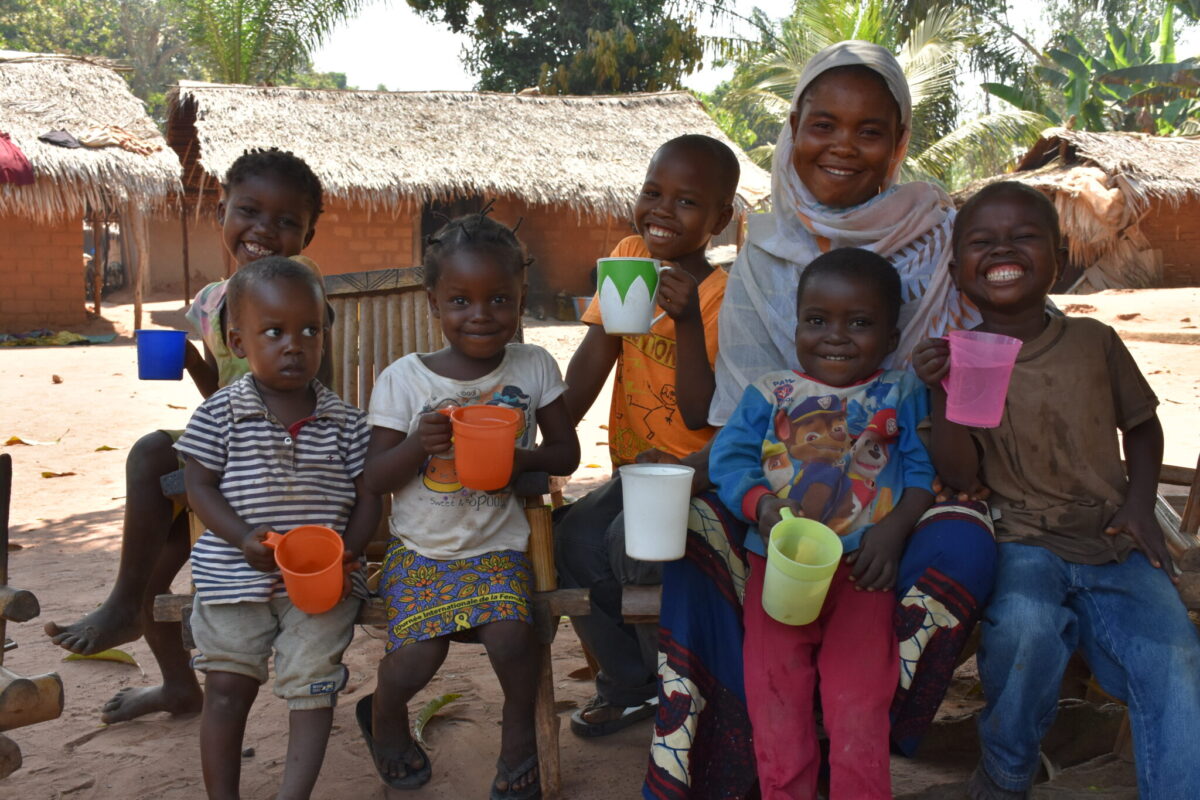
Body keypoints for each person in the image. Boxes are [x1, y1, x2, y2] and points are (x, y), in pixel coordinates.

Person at [643, 41, 998, 799]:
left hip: (906, 481)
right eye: (823, 123)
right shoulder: (763, 257)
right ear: (793, 127)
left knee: (963, 547)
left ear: (900, 143)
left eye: (870, 130)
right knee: (693, 536)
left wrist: (903, 503)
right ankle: (729, 758)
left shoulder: (943, 240)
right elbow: (737, 430)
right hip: (781, 509)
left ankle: (870, 739)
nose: (843, 145)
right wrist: (763, 502)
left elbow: (998, 349)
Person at [912, 181, 1200, 800]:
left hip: (1112, 534)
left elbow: (1144, 429)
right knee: (1025, 627)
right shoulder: (963, 357)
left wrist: (1139, 504)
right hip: (1021, 539)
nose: (1002, 250)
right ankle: (1008, 769)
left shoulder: (1094, 343)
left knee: (1174, 657)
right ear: (957, 266)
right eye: (982, 242)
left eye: (1023, 237)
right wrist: (942, 390)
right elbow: (961, 476)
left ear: (1059, 252)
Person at [44, 148, 328, 723]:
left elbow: (312, 385)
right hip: (229, 442)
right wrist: (192, 361)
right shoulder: (210, 302)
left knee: (153, 452)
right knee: (155, 565)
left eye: (286, 221)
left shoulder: (301, 289)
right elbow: (221, 394)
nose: (264, 230)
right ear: (221, 210)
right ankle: (178, 685)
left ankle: (123, 606)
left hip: (285, 448)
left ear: (308, 235)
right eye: (249, 211)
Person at [361, 210, 579, 799]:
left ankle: (517, 735)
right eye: (460, 300)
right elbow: (375, 475)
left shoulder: (533, 366)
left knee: (514, 635)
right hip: (422, 551)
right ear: (433, 303)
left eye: (498, 299)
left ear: (520, 297)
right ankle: (384, 715)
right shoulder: (405, 380)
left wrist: (518, 462)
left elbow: (565, 453)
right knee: (416, 659)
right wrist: (416, 444)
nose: (480, 315)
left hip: (497, 545)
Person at [712, 249, 934, 798]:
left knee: (858, 701)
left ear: (889, 336)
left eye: (859, 323)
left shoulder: (903, 393)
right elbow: (729, 461)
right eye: (817, 320)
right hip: (778, 571)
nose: (835, 336)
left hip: (863, 572)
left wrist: (894, 530)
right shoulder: (770, 393)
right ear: (796, 326)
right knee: (776, 695)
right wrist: (760, 504)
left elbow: (924, 474)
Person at [555, 134, 739, 737]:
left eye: (686, 202)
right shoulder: (630, 254)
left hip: (690, 476)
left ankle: (680, 685)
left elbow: (696, 413)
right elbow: (596, 355)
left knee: (624, 546)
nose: (661, 210)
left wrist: (685, 321)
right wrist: (550, 435)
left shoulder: (718, 299)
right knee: (572, 540)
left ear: (720, 219)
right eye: (652, 192)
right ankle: (629, 684)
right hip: (633, 468)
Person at [176, 257, 379, 799]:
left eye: (310, 330)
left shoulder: (346, 421)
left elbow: (368, 496)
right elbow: (199, 488)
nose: (295, 344)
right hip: (232, 580)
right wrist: (242, 537)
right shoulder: (219, 414)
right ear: (238, 342)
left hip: (320, 587)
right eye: (274, 332)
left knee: (313, 688)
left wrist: (352, 550)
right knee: (225, 687)